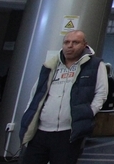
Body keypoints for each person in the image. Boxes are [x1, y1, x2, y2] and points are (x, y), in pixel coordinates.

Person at [18, 30, 108, 164]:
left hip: (68, 132)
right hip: (41, 130)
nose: (70, 46)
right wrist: (29, 114)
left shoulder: (95, 65)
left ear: (84, 45)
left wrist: (88, 112)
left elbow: (101, 93)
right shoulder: (51, 64)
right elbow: (35, 93)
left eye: (75, 42)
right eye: (66, 42)